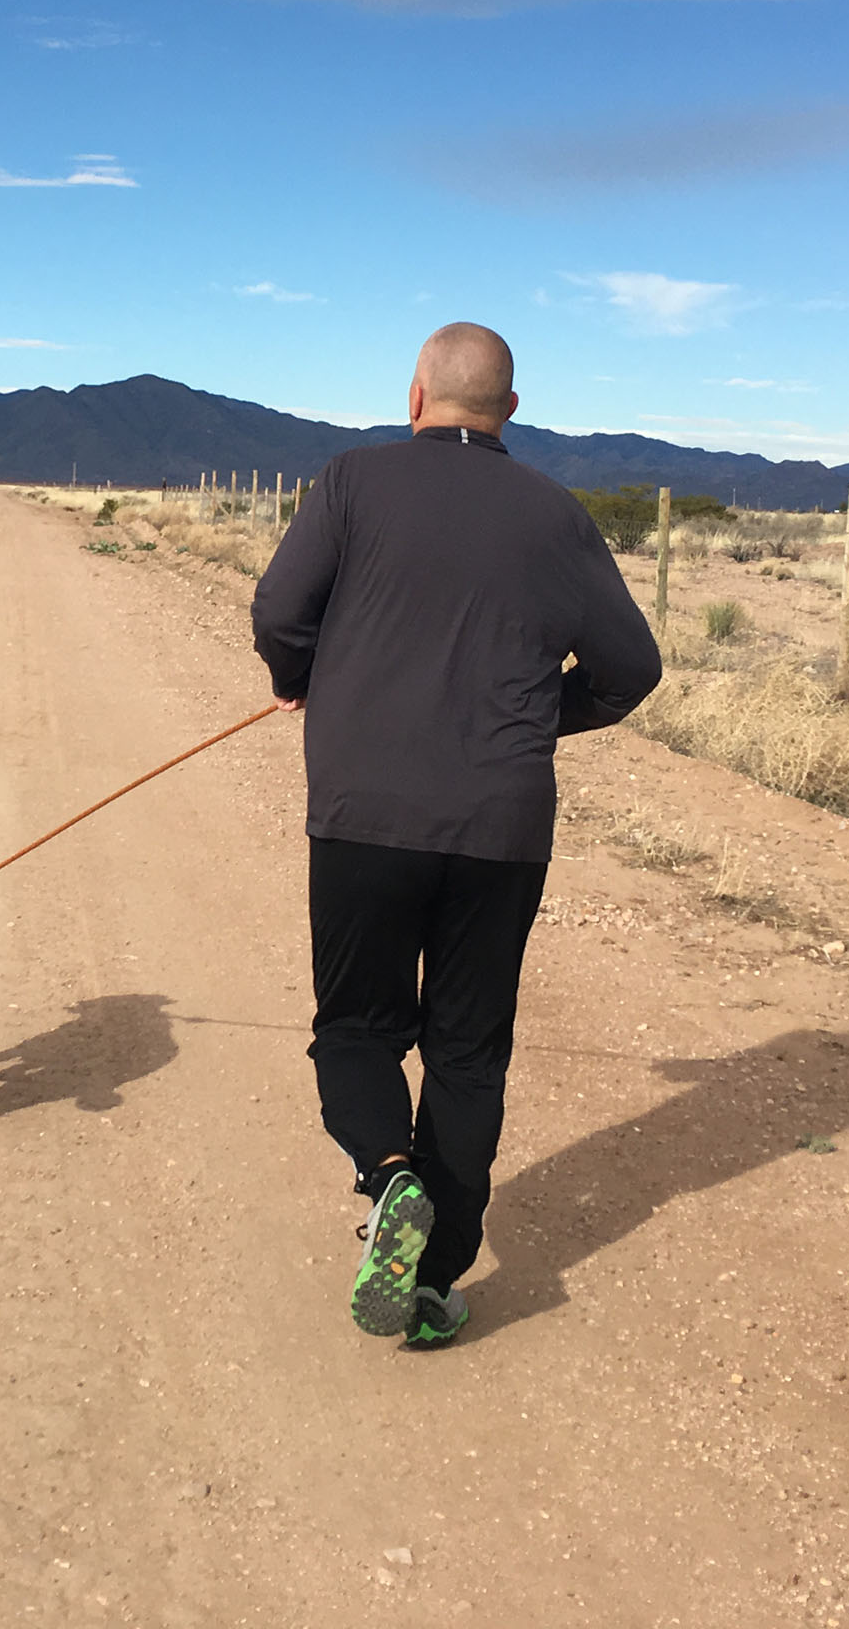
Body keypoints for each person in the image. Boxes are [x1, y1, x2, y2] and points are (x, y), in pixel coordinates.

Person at [251, 323, 662, 1349]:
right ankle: (434, 1283)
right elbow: (630, 671)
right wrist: (531, 716)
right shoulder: (559, 515)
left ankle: (390, 1177)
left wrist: (305, 680)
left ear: (415, 396)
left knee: (355, 1027)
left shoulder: (351, 482)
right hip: (501, 826)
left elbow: (278, 612)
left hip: (364, 815)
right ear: (510, 412)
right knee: (468, 1051)